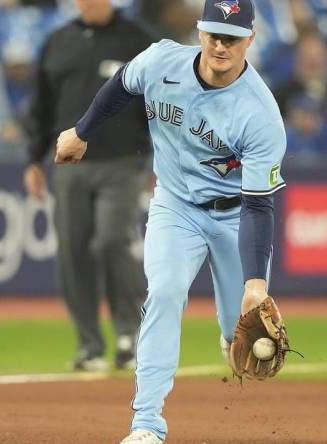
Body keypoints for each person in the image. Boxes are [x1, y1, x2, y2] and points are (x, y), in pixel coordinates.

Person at [53, 1, 286, 442]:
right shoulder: (162, 61)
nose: (220, 45)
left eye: (232, 37)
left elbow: (258, 206)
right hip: (175, 207)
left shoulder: (260, 115)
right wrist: (82, 132)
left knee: (240, 338)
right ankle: (146, 425)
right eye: (214, 33)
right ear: (199, 31)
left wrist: (255, 284)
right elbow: (120, 85)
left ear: (250, 40)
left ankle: (226, 330)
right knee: (163, 293)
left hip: (236, 216)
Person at [24, 0, 154, 371]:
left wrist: (159, 155)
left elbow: (161, 99)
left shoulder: (139, 39)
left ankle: (128, 336)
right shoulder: (57, 41)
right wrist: (33, 159)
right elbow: (41, 107)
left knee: (112, 240)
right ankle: (89, 344)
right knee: (72, 251)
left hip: (123, 162)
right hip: (69, 163)